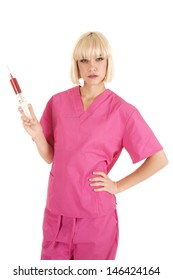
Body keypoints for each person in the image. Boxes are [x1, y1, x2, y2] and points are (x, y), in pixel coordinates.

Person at [19, 31, 168, 260]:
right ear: (76, 65)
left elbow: (159, 159)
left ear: (108, 62)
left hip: (96, 219)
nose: (92, 67)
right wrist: (38, 135)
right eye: (84, 60)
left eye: (99, 58)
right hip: (57, 214)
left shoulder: (122, 111)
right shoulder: (58, 102)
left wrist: (117, 186)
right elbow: (51, 157)